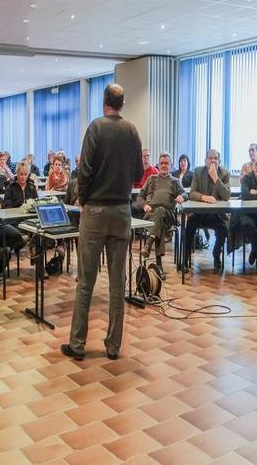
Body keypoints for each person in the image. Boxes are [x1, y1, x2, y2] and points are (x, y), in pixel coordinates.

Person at [62, 83, 144, 362]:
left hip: (95, 211)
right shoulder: (131, 130)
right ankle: (113, 345)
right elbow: (138, 172)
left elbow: (83, 170)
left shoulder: (95, 128)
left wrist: (83, 199)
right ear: (122, 103)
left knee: (86, 280)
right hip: (121, 211)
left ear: (104, 102)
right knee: (118, 282)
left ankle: (77, 343)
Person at [181, 149, 231, 273]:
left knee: (224, 229)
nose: (213, 160)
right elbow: (192, 193)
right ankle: (185, 258)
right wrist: (204, 197)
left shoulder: (224, 173)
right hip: (199, 214)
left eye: (215, 158)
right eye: (210, 158)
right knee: (189, 227)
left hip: (216, 215)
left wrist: (215, 178)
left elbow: (226, 196)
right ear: (205, 160)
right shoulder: (198, 171)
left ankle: (216, 253)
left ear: (219, 161)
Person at [137, 153, 185, 271]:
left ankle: (149, 244)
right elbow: (140, 197)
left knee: (161, 212)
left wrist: (182, 197)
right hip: (151, 216)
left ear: (171, 165)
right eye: (162, 163)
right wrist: (144, 206)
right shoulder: (151, 179)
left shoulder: (175, 181)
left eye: (166, 163)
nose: (164, 166)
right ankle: (158, 266)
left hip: (168, 216)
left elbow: (185, 193)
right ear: (158, 165)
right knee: (159, 222)